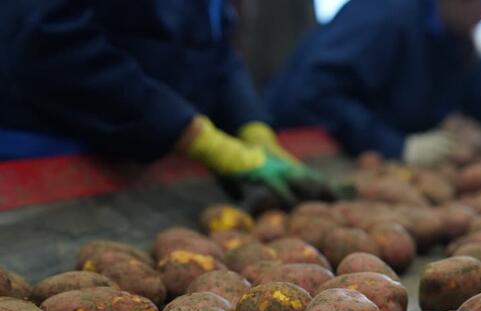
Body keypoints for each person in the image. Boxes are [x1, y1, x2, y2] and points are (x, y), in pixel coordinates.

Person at [0, 0, 322, 204]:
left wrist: (251, 124)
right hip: (43, 159)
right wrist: (191, 134)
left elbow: (216, 50)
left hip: (150, 166)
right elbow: (45, 42)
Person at [263, 0, 481, 167]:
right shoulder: (383, 17)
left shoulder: (451, 36)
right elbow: (313, 91)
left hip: (369, 158)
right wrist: (394, 145)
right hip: (299, 150)